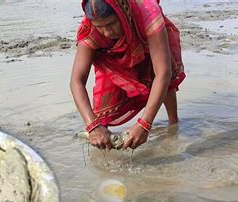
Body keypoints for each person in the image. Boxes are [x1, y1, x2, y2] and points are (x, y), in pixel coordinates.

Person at [70, 0, 185, 150]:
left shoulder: (148, 14)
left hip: (147, 41)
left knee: (162, 73)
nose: (107, 32)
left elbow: (163, 73)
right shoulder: (90, 31)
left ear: (122, 13)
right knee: (101, 119)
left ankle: (173, 124)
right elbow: (76, 81)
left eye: (111, 24)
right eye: (100, 27)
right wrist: (92, 126)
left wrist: (145, 124)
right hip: (113, 55)